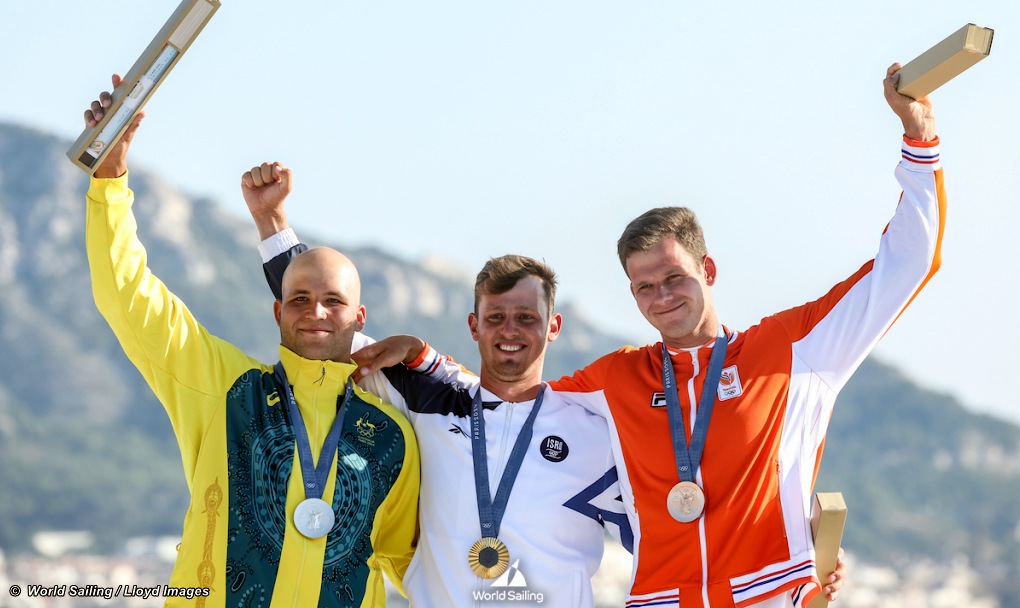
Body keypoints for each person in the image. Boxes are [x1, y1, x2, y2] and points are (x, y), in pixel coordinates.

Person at [352, 62, 930, 607]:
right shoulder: (616, 379)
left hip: (769, 592)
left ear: (708, 270)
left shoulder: (792, 349)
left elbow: (906, 264)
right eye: (644, 286)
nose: (662, 296)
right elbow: (505, 395)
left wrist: (918, 140)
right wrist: (422, 358)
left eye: (674, 277)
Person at [82, 76, 419, 608]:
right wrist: (111, 179)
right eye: (301, 299)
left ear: (359, 317)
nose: (316, 312)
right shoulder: (225, 386)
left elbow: (410, 563)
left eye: (333, 301)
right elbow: (127, 296)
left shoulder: (391, 433)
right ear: (278, 310)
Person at [247, 171, 632, 606]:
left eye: (526, 317)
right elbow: (322, 318)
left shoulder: (593, 433)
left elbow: (661, 536)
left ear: (553, 326)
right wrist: (271, 219)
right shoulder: (429, 397)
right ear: (473, 325)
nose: (510, 331)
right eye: (495, 317)